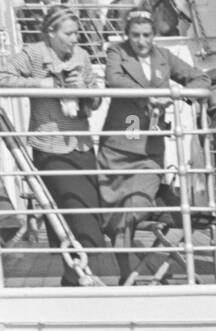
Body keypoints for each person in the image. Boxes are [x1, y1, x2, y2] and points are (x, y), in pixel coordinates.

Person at [0, 9, 119, 286]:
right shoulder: (34, 53)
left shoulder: (82, 57)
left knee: (88, 215)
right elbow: (2, 77)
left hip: (81, 146)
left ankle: (74, 279)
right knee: (74, 214)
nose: (75, 39)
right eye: (68, 34)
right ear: (51, 33)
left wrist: (84, 91)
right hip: (51, 148)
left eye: (76, 33)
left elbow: (96, 102)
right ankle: (78, 277)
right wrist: (44, 84)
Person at [100, 8, 209, 283]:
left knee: (136, 208)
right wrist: (151, 96)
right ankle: (127, 273)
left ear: (154, 35)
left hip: (149, 150)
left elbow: (200, 78)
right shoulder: (117, 52)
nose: (141, 41)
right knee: (118, 217)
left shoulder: (164, 57)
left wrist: (179, 94)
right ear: (127, 35)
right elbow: (114, 79)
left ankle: (145, 267)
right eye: (135, 35)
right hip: (121, 141)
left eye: (146, 35)